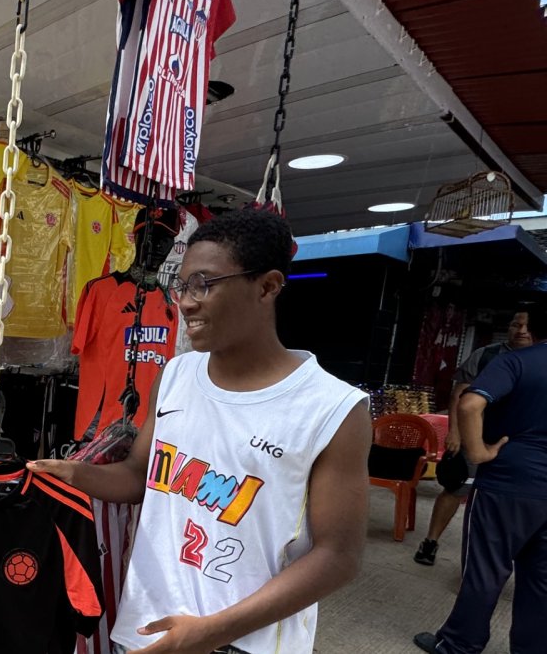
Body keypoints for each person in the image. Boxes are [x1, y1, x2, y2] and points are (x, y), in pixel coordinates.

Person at [29, 208, 371, 654]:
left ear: (267, 286)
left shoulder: (332, 409)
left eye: (204, 284)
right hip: (146, 630)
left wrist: (212, 632)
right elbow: (137, 476)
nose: (186, 302)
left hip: (244, 645)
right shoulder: (175, 375)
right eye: (183, 285)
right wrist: (71, 474)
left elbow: (338, 557)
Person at [414, 305, 547, 654]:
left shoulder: (516, 362)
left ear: (534, 328)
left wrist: (477, 452)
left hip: (508, 482)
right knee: (541, 580)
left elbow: (470, 404)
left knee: (485, 570)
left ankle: (460, 645)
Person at [414, 310, 533, 566]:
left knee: (505, 501)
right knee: (456, 488)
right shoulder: (486, 355)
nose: (521, 330)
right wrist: (455, 432)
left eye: (527, 325)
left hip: (518, 444)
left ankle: (487, 559)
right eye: (516, 324)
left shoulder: (539, 360)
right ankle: (430, 541)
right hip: (474, 437)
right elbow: (460, 394)